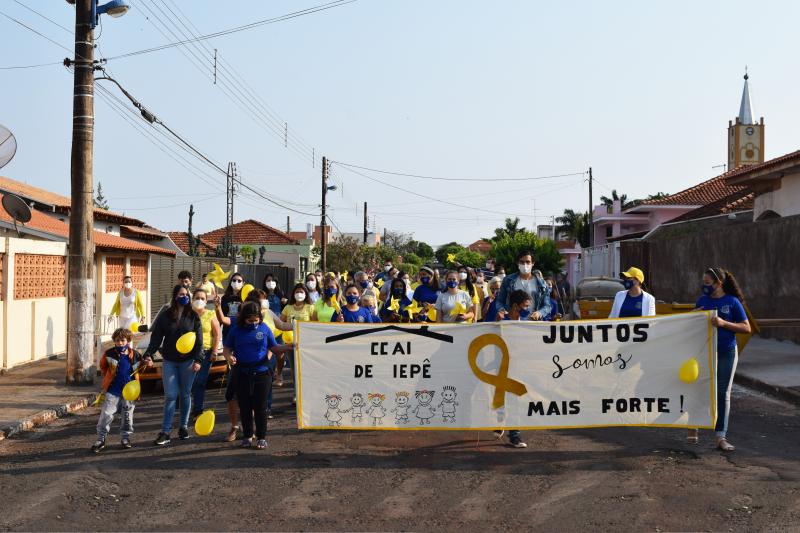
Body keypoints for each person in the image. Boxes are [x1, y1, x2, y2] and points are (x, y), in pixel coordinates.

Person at [688, 267, 751, 452]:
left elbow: (746, 328)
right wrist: (693, 316)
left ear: (719, 283)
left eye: (707, 283)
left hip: (727, 352)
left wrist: (724, 323)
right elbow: (690, 325)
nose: (704, 286)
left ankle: (720, 437)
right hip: (704, 352)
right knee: (698, 390)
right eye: (703, 283)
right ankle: (693, 427)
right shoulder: (702, 301)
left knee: (722, 394)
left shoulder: (732, 302)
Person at [143, 284, 203, 446]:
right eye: (182, 294)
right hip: (169, 360)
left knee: (185, 394)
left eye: (187, 294)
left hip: (188, 362)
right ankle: (166, 431)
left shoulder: (193, 316)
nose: (185, 297)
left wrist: (198, 360)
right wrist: (148, 354)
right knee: (170, 395)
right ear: (175, 296)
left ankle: (183, 427)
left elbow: (199, 342)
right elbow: (156, 338)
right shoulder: (166, 316)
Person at [223, 301, 277, 450]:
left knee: (260, 407)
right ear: (243, 319)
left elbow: (275, 347)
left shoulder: (265, 328)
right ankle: (247, 435)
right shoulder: (236, 330)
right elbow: (227, 348)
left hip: (262, 373)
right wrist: (229, 357)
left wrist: (291, 346)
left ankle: (261, 437)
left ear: (260, 317)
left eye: (256, 320)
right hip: (241, 373)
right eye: (250, 320)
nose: (253, 323)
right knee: (245, 406)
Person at [91, 327, 149, 453]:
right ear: (114, 341)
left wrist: (146, 364)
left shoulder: (135, 355)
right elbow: (103, 367)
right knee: (106, 414)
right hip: (113, 390)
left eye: (122, 340)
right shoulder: (109, 353)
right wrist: (108, 378)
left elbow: (140, 370)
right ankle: (101, 439)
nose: (120, 343)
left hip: (130, 392)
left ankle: (125, 438)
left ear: (128, 340)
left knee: (127, 416)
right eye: (117, 341)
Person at [493, 290, 531, 448]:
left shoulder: (528, 321)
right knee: (501, 397)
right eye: (525, 306)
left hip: (520, 366)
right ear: (516, 306)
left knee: (515, 399)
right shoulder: (500, 319)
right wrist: (496, 323)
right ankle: (502, 426)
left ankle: (512, 432)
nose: (528, 308)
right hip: (500, 366)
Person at [214, 272, 246, 442]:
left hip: (251, 359)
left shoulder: (255, 323)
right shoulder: (233, 320)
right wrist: (218, 306)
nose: (236, 282)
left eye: (239, 280)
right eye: (234, 280)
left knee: (250, 395)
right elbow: (223, 319)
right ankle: (235, 426)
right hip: (231, 350)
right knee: (231, 393)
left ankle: (250, 427)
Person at [190, 288, 221, 420]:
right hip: (189, 352)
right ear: (192, 300)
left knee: (200, 382)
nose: (200, 300)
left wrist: (214, 351)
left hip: (205, 352)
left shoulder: (210, 313)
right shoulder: (188, 314)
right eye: (197, 298)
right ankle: (187, 408)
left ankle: (198, 410)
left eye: (202, 298)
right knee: (189, 383)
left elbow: (217, 333)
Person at [495, 251, 551, 321]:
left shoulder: (541, 283)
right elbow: (499, 301)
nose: (525, 264)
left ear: (533, 263)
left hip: (534, 323)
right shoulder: (508, 280)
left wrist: (539, 313)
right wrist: (501, 310)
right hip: (512, 322)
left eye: (528, 262)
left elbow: (548, 306)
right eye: (522, 262)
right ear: (517, 263)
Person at [278, 283, 314, 386]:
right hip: (291, 342)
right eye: (297, 292)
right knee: (294, 367)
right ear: (293, 294)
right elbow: (280, 323)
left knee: (305, 367)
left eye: (301, 292)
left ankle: (306, 389)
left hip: (306, 342)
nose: (299, 294)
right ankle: (296, 393)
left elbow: (315, 323)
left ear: (306, 294)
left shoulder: (310, 307)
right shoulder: (288, 308)